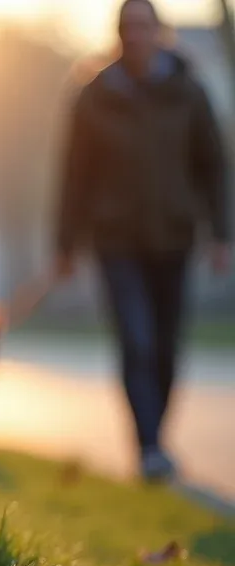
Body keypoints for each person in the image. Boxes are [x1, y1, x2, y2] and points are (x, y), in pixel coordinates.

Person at [53, 0, 231, 483]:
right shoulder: (94, 96)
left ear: (159, 32)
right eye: (126, 27)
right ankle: (149, 446)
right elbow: (75, 176)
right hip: (116, 240)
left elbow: (212, 166)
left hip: (174, 235)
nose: (135, 35)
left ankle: (156, 436)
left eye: (143, 26)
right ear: (117, 36)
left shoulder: (188, 91)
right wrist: (65, 244)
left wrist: (221, 235)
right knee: (136, 340)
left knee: (167, 347)